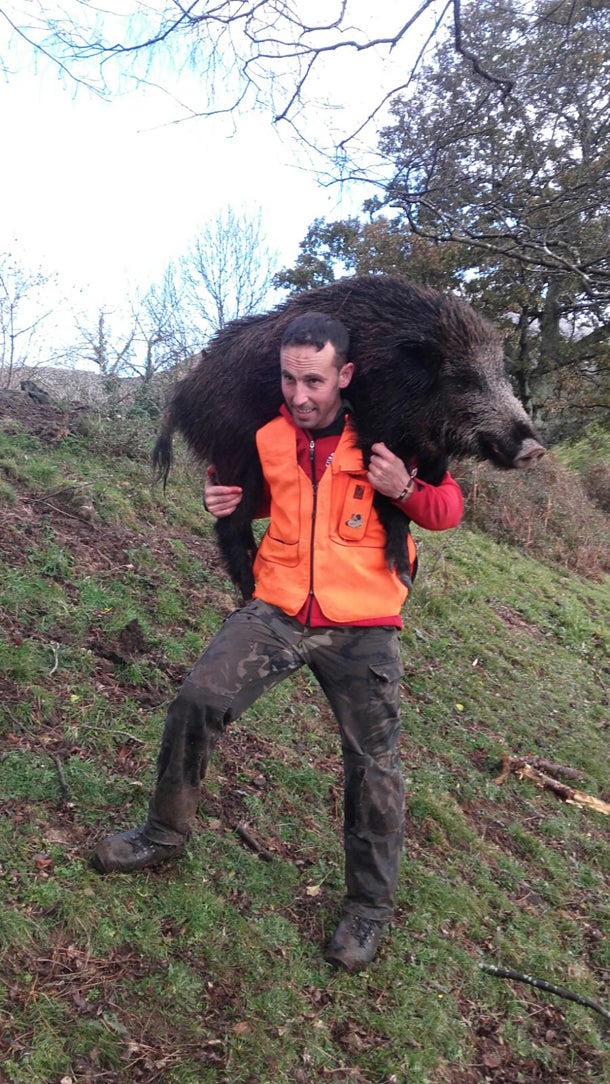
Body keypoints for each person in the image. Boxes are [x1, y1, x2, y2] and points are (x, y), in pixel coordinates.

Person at [91, 312, 463, 972]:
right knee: (197, 700)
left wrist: (401, 489)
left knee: (374, 765)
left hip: (363, 624)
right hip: (279, 611)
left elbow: (447, 510)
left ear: (344, 375)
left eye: (313, 380)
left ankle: (369, 907)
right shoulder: (266, 436)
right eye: (289, 379)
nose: (299, 394)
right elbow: (265, 502)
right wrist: (225, 502)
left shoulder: (390, 432)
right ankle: (162, 836)